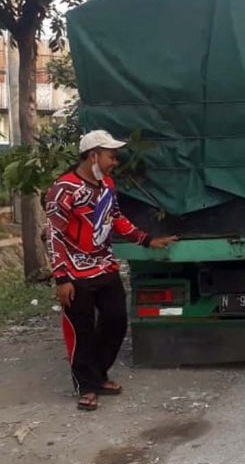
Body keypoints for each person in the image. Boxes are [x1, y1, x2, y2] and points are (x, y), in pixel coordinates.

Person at [45, 130, 177, 411]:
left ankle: (98, 374)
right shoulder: (63, 190)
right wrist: (61, 277)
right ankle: (86, 386)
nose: (114, 162)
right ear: (93, 156)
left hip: (105, 266)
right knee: (81, 331)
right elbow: (54, 235)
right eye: (111, 157)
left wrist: (146, 239)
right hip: (75, 274)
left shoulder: (107, 185)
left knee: (116, 321)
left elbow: (115, 218)